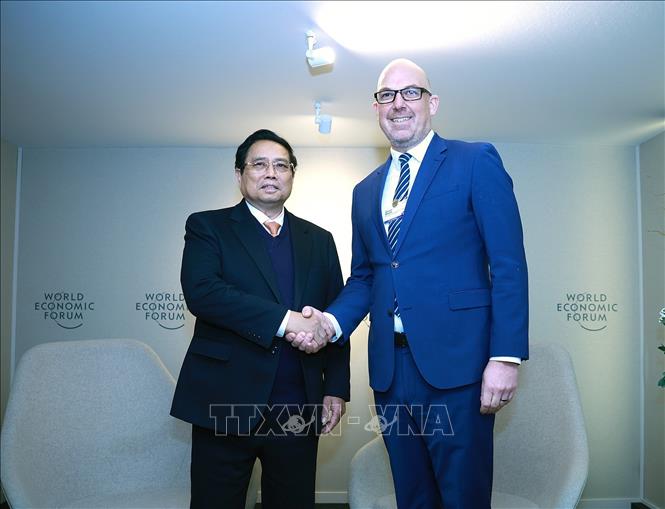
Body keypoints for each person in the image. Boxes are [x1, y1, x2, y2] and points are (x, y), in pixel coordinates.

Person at [287, 59, 529, 508]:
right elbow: (367, 276)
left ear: (432, 103)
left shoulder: (475, 161)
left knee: (463, 497)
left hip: (459, 367)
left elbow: (508, 264)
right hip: (390, 373)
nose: (398, 104)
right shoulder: (365, 190)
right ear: (376, 109)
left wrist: (505, 356)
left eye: (410, 92)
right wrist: (329, 323)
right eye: (386, 96)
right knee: (412, 496)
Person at [171, 129, 350, 509]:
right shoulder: (208, 226)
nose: (271, 173)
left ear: (292, 175)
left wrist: (335, 387)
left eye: (281, 165)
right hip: (224, 400)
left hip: (297, 406)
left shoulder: (319, 239)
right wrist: (287, 320)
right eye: (259, 164)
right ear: (240, 174)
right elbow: (203, 293)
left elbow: (335, 315)